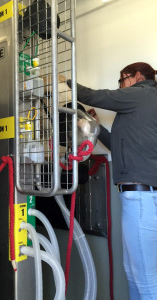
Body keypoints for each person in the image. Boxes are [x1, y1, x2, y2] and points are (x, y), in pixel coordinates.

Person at [67, 62, 157, 300]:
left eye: (122, 80)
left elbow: (97, 96)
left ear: (137, 76)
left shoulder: (142, 93)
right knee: (133, 274)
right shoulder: (142, 106)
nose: (120, 86)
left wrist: (64, 81)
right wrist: (93, 125)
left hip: (142, 199)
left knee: (146, 282)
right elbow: (118, 146)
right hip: (138, 197)